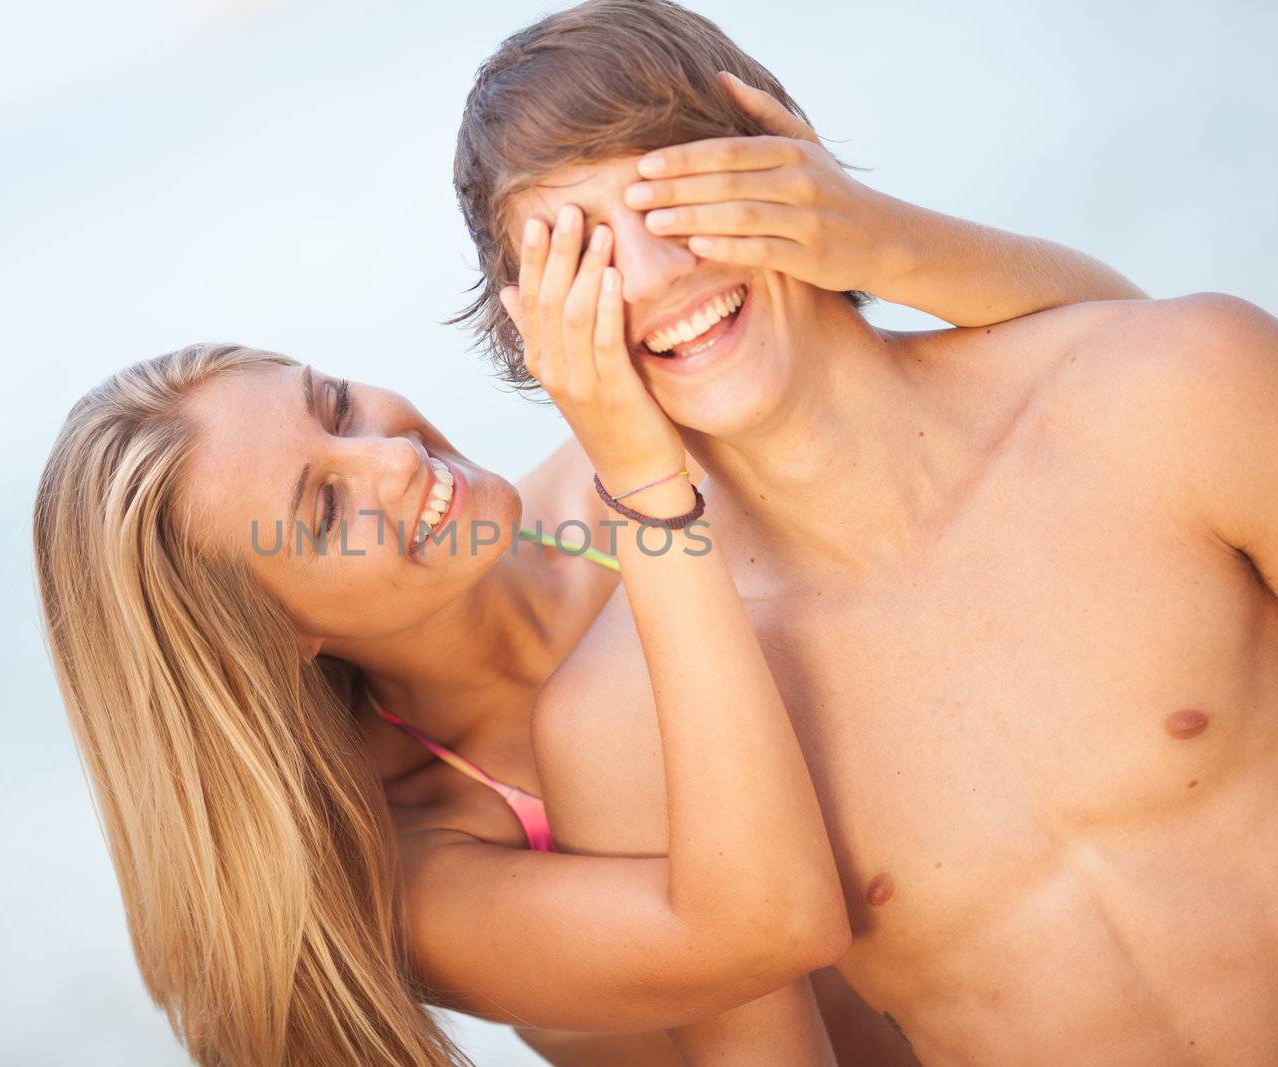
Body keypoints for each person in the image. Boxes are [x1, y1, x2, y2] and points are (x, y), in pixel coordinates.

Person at [456, 2, 1278, 1063]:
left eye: (677, 203)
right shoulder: (622, 724)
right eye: (582, 261)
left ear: (784, 157)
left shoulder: (1174, 388)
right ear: (534, 330)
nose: (656, 280)